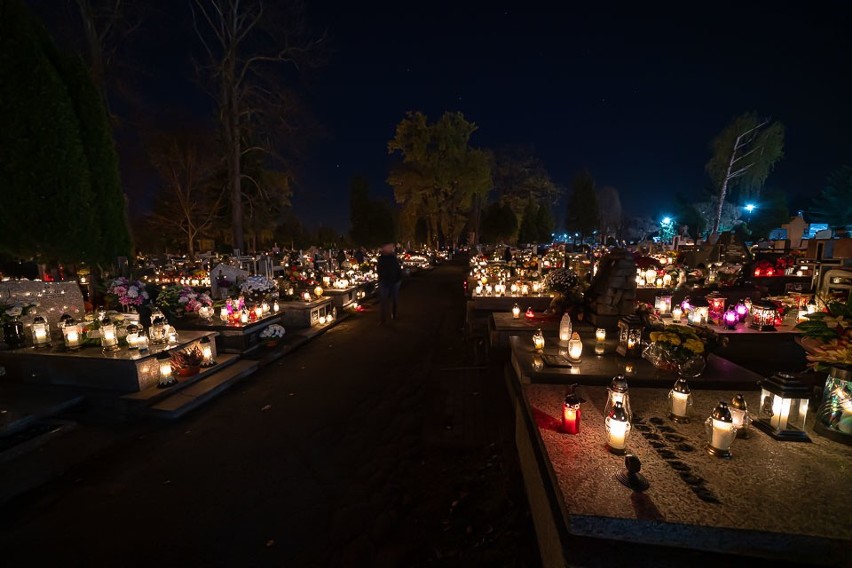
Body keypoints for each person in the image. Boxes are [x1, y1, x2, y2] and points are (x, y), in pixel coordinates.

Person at [377, 243, 402, 325]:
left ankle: (394, 314)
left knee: (394, 300)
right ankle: (382, 319)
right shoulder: (381, 259)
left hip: (394, 281)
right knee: (383, 301)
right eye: (389, 247)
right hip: (384, 282)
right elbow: (379, 270)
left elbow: (397, 268)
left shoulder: (393, 258)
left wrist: (398, 279)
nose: (391, 248)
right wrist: (381, 278)